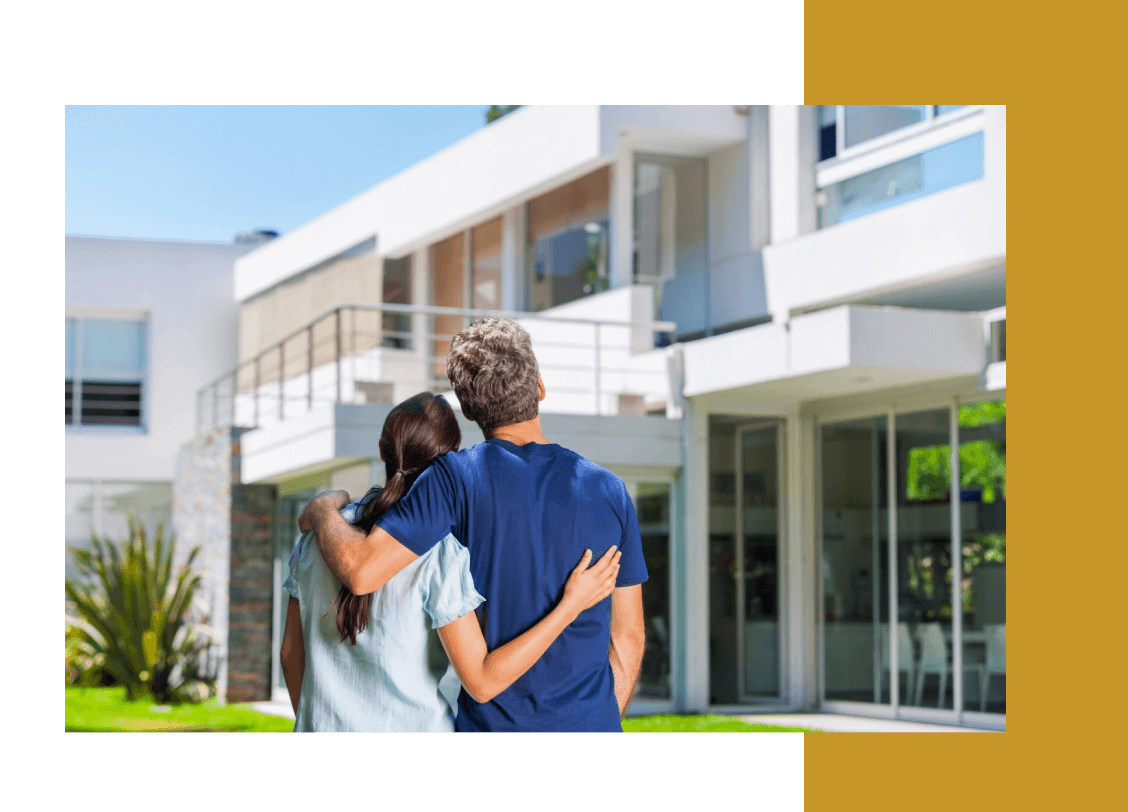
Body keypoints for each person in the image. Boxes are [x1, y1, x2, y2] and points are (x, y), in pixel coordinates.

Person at [300, 316, 648, 732]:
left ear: (466, 409)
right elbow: (628, 637)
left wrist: (323, 510)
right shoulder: (610, 490)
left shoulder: (453, 480)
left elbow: (360, 572)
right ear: (538, 385)